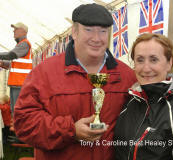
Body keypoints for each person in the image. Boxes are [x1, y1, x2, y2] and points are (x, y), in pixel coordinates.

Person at [13, 3, 136, 160]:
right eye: (89, 30)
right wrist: (70, 130)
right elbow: (24, 123)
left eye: (103, 31)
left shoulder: (126, 76)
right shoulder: (44, 73)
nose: (96, 38)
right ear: (74, 32)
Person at [114, 33, 173, 160]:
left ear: (169, 63)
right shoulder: (130, 102)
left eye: (154, 59)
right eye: (140, 60)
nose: (146, 68)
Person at [0, 22, 32, 117]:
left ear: (23, 31)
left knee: (18, 112)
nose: (13, 31)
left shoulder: (24, 44)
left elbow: (11, 55)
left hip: (20, 83)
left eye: (16, 29)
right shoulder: (21, 45)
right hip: (17, 83)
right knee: (15, 111)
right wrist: (3, 64)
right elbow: (15, 64)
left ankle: (20, 130)